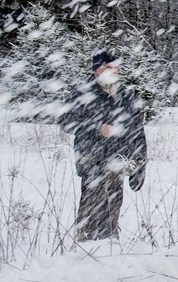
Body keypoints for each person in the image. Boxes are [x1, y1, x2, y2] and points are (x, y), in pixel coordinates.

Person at [58, 51, 148, 241]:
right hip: (92, 161)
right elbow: (65, 121)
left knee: (112, 213)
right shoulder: (82, 94)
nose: (111, 71)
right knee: (90, 214)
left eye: (114, 67)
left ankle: (109, 251)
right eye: (106, 67)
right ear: (95, 71)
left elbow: (137, 131)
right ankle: (83, 251)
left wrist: (139, 165)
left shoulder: (126, 96)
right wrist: (96, 127)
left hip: (117, 162)